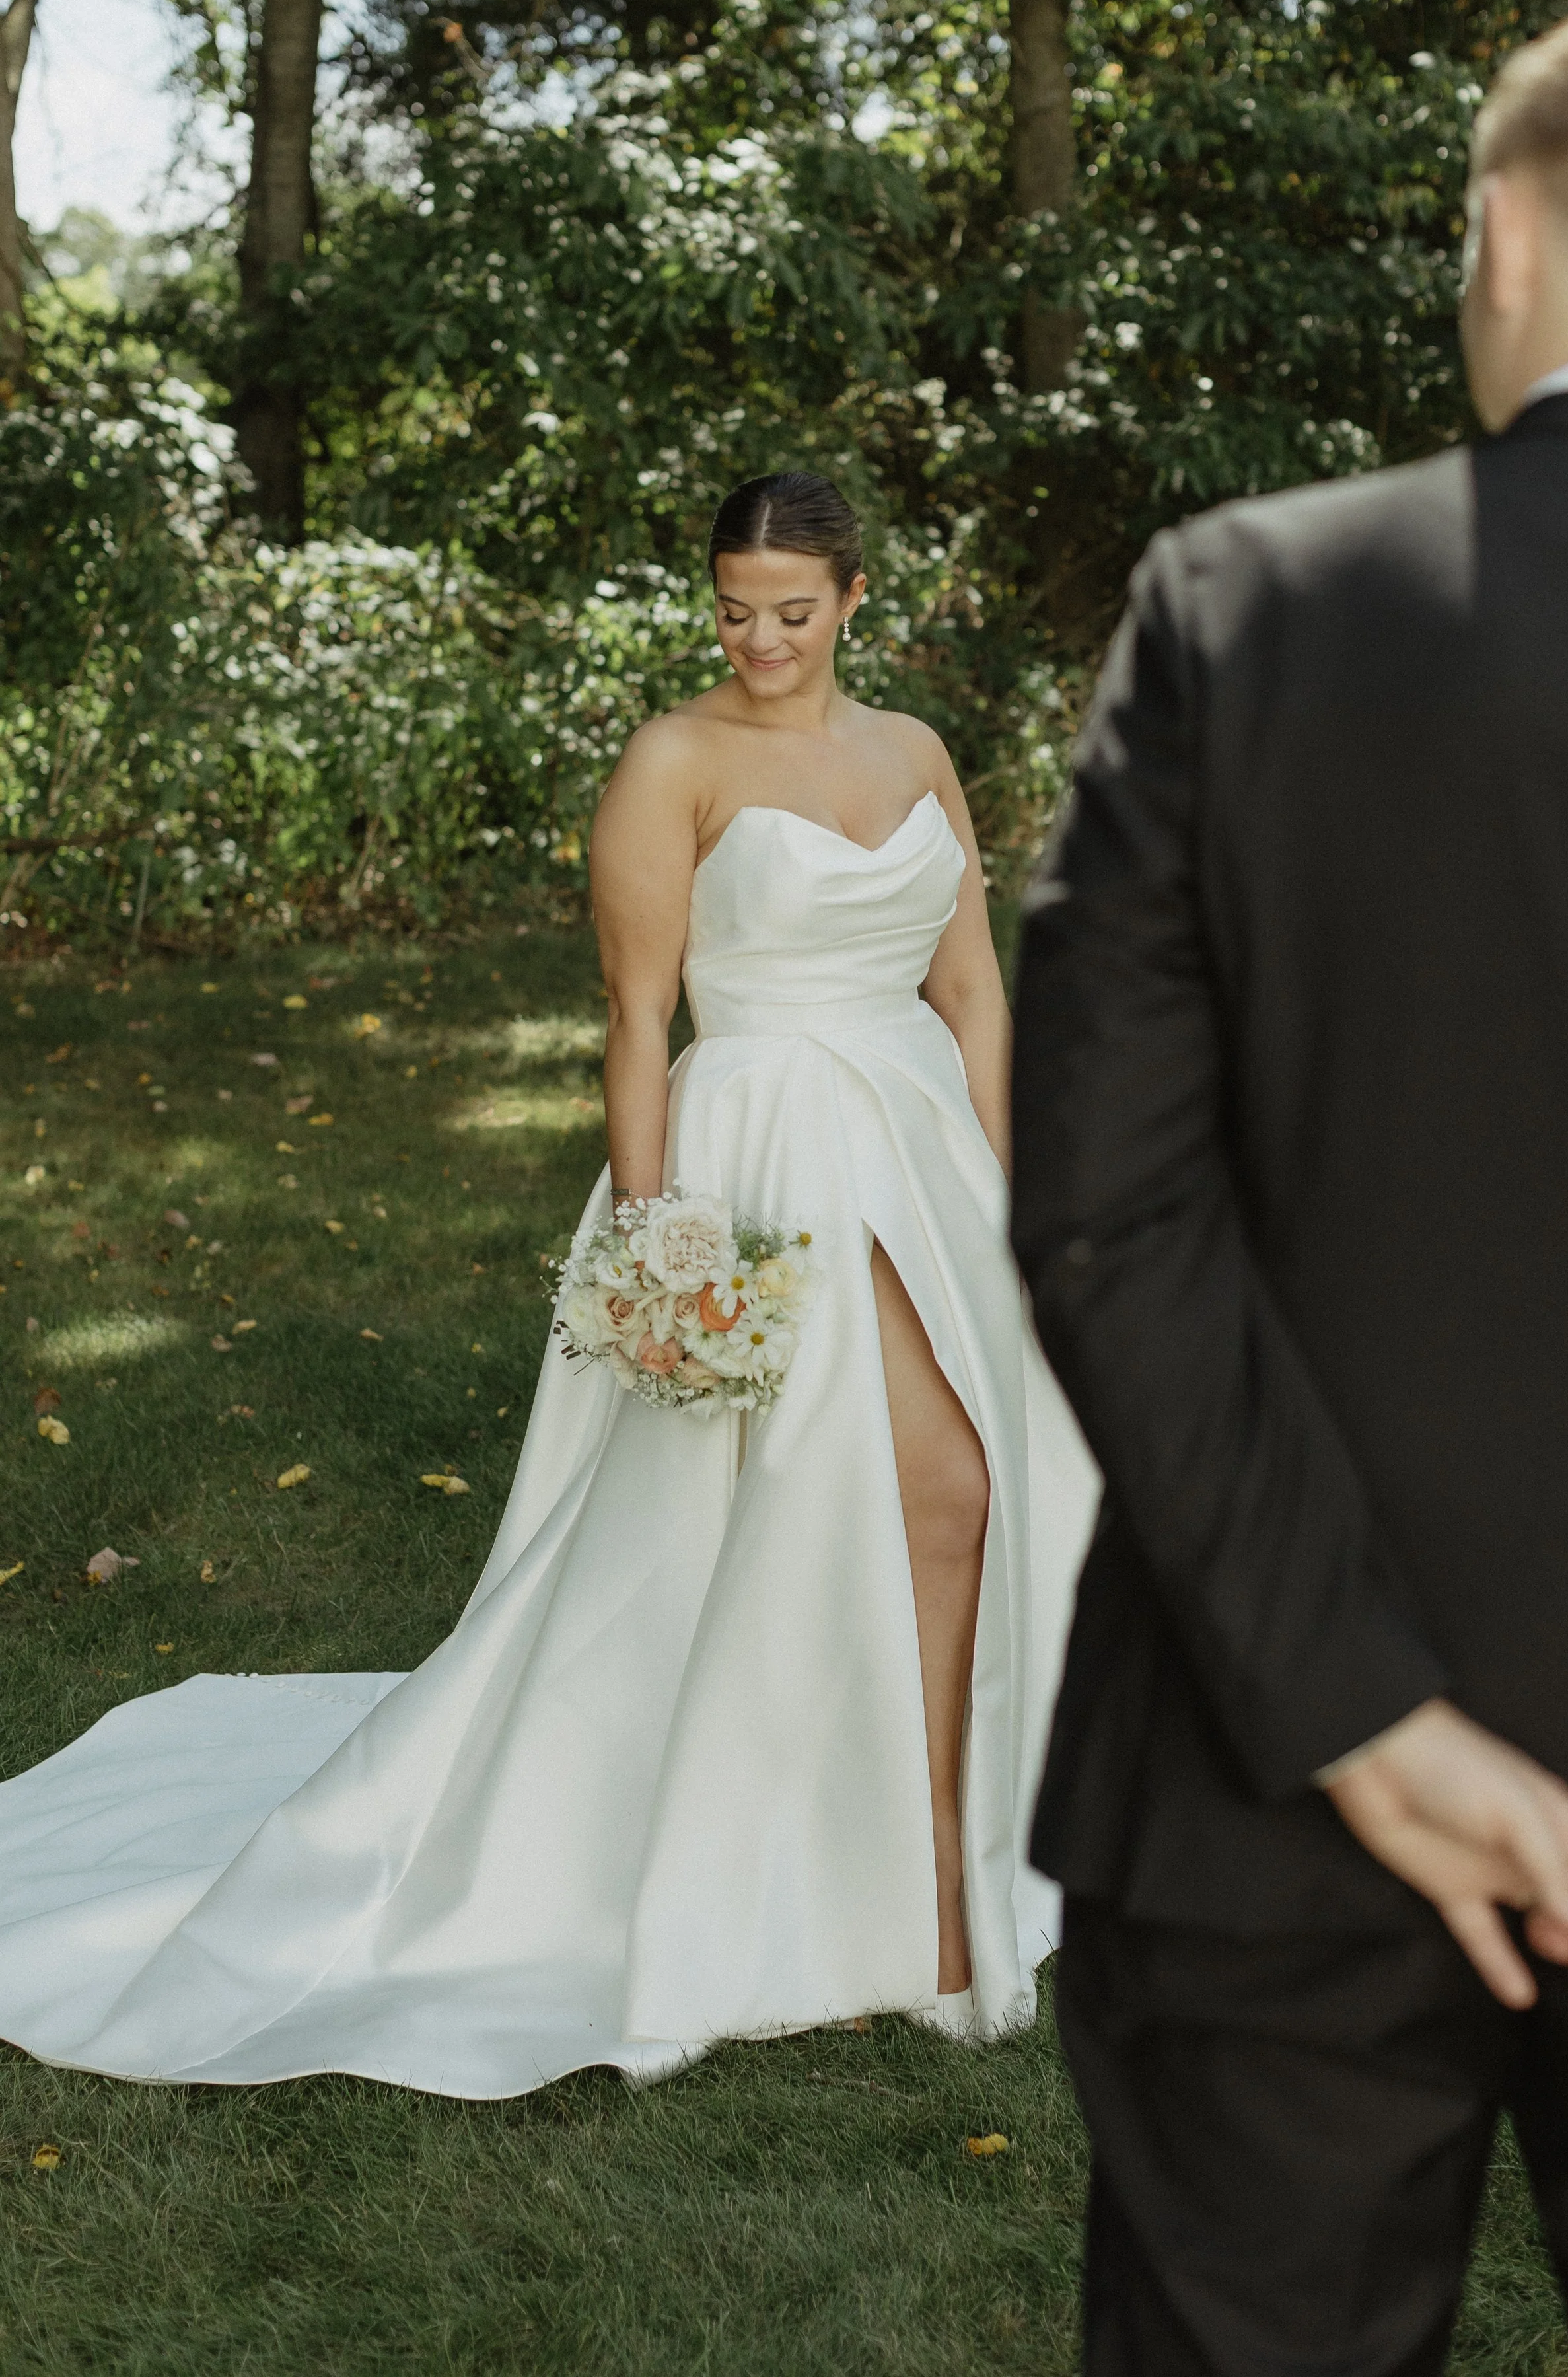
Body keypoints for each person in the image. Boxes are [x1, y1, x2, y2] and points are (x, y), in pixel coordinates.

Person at [0, 469, 1096, 2096]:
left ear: (855, 599)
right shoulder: (674, 761)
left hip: (922, 1148)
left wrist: (1018, 1192)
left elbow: (975, 994)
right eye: (732, 608)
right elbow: (637, 1018)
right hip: (762, 1164)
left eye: (792, 611)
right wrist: (658, 1239)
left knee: (964, 1502)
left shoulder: (916, 752)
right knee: (919, 1493)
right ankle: (926, 1905)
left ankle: (926, 1836)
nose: (759, 639)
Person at [1011, 0, 1568, 2377]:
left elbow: (1104, 1209)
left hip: (1267, 1797)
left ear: (1496, 238)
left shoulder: (1244, 607)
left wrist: (1370, 1716)